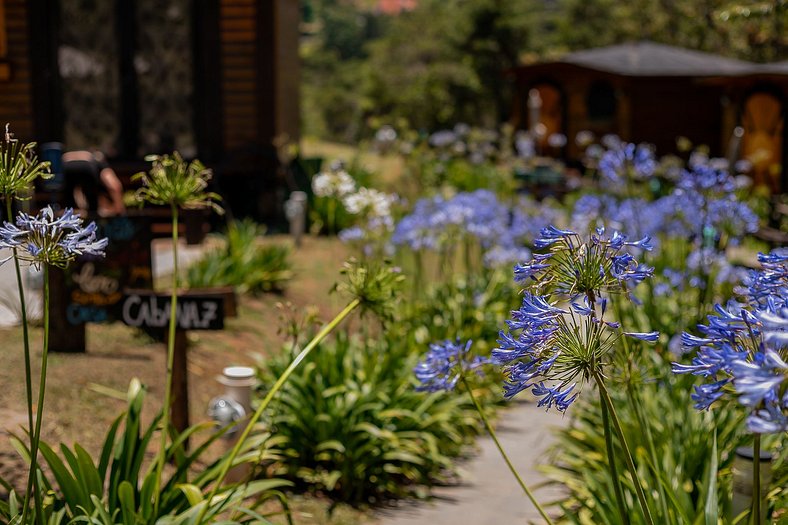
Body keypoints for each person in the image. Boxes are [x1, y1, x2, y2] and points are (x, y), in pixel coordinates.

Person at [62, 150, 125, 216]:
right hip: (87, 165)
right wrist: (120, 206)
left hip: (65, 163)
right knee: (93, 209)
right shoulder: (100, 162)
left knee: (69, 207)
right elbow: (114, 185)